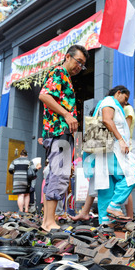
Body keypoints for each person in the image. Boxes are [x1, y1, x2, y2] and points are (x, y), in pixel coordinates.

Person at [38, 44, 89, 232]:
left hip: (60, 132)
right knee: (59, 174)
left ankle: (47, 220)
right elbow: (44, 96)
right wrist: (67, 115)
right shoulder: (59, 72)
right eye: (79, 62)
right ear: (68, 57)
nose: (79, 67)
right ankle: (49, 221)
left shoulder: (65, 77)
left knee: (55, 174)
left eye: (83, 65)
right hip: (58, 131)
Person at [83, 86, 135, 225]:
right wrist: (122, 140)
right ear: (118, 93)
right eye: (125, 98)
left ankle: (105, 225)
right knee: (133, 175)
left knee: (106, 187)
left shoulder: (106, 103)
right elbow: (107, 119)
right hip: (114, 148)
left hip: (104, 151)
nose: (126, 103)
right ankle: (114, 205)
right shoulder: (109, 101)